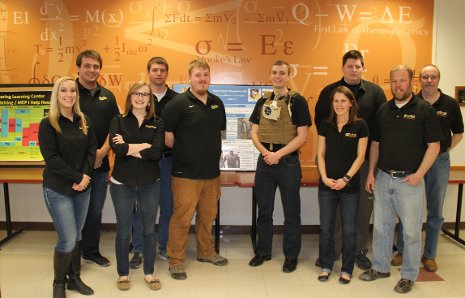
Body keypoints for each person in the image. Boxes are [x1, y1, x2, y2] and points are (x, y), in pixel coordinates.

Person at [360, 65, 441, 294]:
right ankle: (380, 267)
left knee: (411, 232)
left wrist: (419, 175)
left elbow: (434, 147)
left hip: (410, 182)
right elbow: (375, 143)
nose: (398, 85)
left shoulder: (424, 110)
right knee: (382, 228)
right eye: (394, 81)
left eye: (402, 81)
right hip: (384, 178)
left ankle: (408, 275)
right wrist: (371, 173)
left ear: (411, 82)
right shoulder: (383, 110)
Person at [314, 50, 387, 270]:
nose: (354, 70)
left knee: (363, 207)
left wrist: (373, 166)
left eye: (358, 66)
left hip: (363, 160)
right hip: (334, 159)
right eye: (349, 66)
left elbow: (381, 129)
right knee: (334, 209)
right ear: (342, 68)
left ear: (364, 67)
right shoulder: (329, 92)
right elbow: (321, 125)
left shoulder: (376, 93)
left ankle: (358, 250)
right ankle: (334, 250)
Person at [391, 64, 464, 272]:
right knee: (408, 209)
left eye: (433, 77)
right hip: (414, 161)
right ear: (419, 80)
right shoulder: (412, 102)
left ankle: (430, 254)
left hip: (439, 162)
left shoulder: (449, 104)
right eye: (425, 77)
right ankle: (403, 251)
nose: (429, 80)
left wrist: (443, 149)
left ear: (439, 79)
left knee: (435, 210)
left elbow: (458, 133)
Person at [163, 59, 228, 280]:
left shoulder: (217, 103)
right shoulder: (178, 104)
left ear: (210, 78)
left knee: (207, 216)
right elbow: (168, 138)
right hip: (185, 174)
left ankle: (206, 252)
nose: (202, 79)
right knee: (181, 218)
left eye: (206, 75)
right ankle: (176, 260)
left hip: (211, 173)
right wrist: (188, 151)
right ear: (189, 78)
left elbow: (219, 133)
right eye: (198, 75)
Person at [248, 60, 312, 273]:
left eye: (282, 73)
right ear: (270, 74)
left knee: (292, 212)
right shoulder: (262, 101)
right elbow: (253, 133)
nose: (277, 76)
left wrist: (277, 155)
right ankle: (263, 251)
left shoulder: (298, 101)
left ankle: (291, 256)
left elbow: (302, 137)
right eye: (274, 72)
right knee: (264, 210)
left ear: (288, 75)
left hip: (288, 161)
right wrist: (267, 154)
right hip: (265, 160)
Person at [38, 77, 97, 298]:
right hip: (57, 188)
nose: (69, 94)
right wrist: (77, 176)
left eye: (72, 90)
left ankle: (74, 279)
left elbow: (91, 150)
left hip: (83, 186)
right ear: (57, 94)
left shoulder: (83, 119)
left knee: (77, 234)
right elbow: (51, 158)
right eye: (64, 90)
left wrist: (86, 176)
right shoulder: (48, 123)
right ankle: (58, 284)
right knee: (67, 238)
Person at [109, 82, 165, 291]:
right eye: (136, 93)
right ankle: (123, 274)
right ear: (130, 96)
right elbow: (117, 148)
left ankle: (149, 273)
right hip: (121, 183)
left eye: (145, 94)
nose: (140, 98)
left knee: (149, 230)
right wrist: (144, 146)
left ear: (150, 98)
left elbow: (157, 152)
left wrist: (129, 147)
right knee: (124, 230)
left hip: (151, 183)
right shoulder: (118, 120)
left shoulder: (158, 122)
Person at [128, 57, 178, 268]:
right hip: (143, 161)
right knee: (142, 208)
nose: (158, 73)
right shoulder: (140, 96)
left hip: (167, 161)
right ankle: (138, 249)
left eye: (162, 70)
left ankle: (164, 247)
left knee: (167, 207)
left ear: (167, 73)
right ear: (148, 72)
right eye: (155, 70)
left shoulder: (177, 99)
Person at [316, 86, 368, 284]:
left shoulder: (360, 126)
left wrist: (345, 179)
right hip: (327, 185)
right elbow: (320, 154)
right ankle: (326, 265)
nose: (339, 105)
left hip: (349, 187)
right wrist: (325, 177)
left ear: (351, 103)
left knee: (349, 230)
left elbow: (361, 156)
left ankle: (347, 269)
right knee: (326, 228)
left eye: (343, 101)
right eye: (336, 101)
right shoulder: (325, 125)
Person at [76, 50, 119, 267]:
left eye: (96, 66)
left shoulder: (107, 95)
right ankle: (72, 252)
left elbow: (115, 127)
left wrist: (102, 152)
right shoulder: (68, 93)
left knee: (94, 210)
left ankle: (91, 251)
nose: (92, 70)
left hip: (101, 163)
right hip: (74, 165)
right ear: (79, 68)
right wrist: (89, 157)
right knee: (75, 209)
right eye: (87, 66)